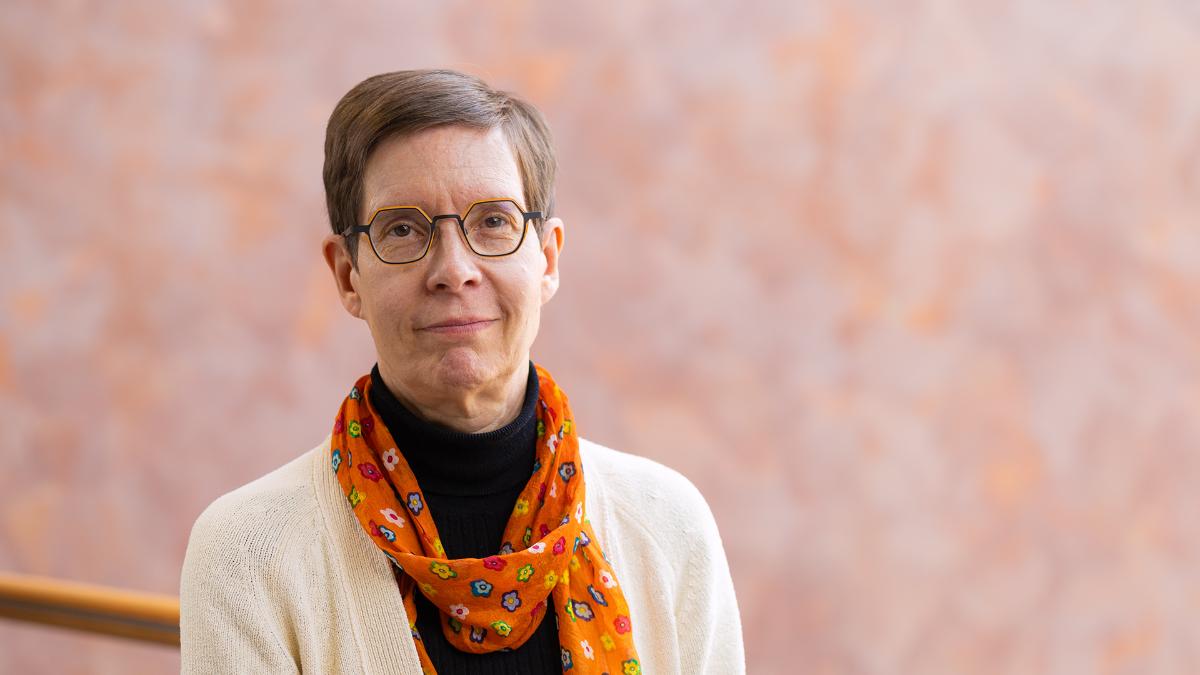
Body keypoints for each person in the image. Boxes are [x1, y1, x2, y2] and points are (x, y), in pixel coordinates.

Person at [180, 69, 745, 674]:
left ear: (548, 258)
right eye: (403, 229)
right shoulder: (248, 554)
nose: (454, 270)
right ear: (347, 275)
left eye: (493, 222)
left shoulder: (666, 522)